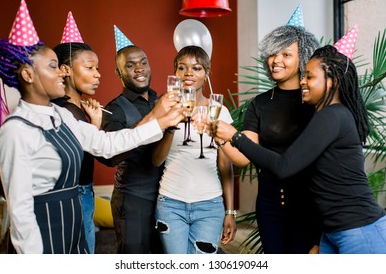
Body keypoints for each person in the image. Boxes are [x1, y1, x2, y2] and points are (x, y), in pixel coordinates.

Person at [0, 0, 183, 254]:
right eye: (53, 67)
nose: (63, 73)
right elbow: (19, 210)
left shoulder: (62, 116)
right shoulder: (15, 130)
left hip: (72, 226)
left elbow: (107, 145)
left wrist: (160, 121)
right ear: (28, 75)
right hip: (43, 232)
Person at [212, 45, 386, 254]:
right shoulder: (325, 116)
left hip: (358, 230)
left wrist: (235, 136)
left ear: (334, 81)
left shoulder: (333, 116)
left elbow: (284, 166)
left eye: (310, 77)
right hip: (332, 231)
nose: (302, 81)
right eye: (303, 75)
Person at [218, 25, 322, 254]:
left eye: (286, 54)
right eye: (273, 53)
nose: (277, 60)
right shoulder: (259, 103)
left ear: (303, 57)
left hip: (308, 204)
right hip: (269, 204)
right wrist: (218, 135)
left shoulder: (316, 100)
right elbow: (244, 158)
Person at [99, 27, 179, 254]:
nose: (139, 69)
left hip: (168, 198)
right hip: (134, 200)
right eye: (130, 65)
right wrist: (152, 118)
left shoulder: (162, 99)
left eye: (143, 62)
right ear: (118, 72)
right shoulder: (114, 110)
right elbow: (111, 155)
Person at [153, 45, 236, 254]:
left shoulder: (219, 111)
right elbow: (155, 160)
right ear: (175, 74)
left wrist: (230, 211)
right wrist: (171, 124)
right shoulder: (164, 107)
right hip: (170, 203)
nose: (189, 72)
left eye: (197, 68)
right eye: (182, 68)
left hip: (210, 205)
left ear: (206, 73)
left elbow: (225, 164)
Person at [50, 12, 102, 254]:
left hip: (84, 192)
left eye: (97, 68)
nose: (97, 74)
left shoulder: (80, 109)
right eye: (90, 67)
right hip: (73, 194)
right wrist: (97, 124)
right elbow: (87, 152)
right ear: (66, 70)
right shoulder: (62, 110)